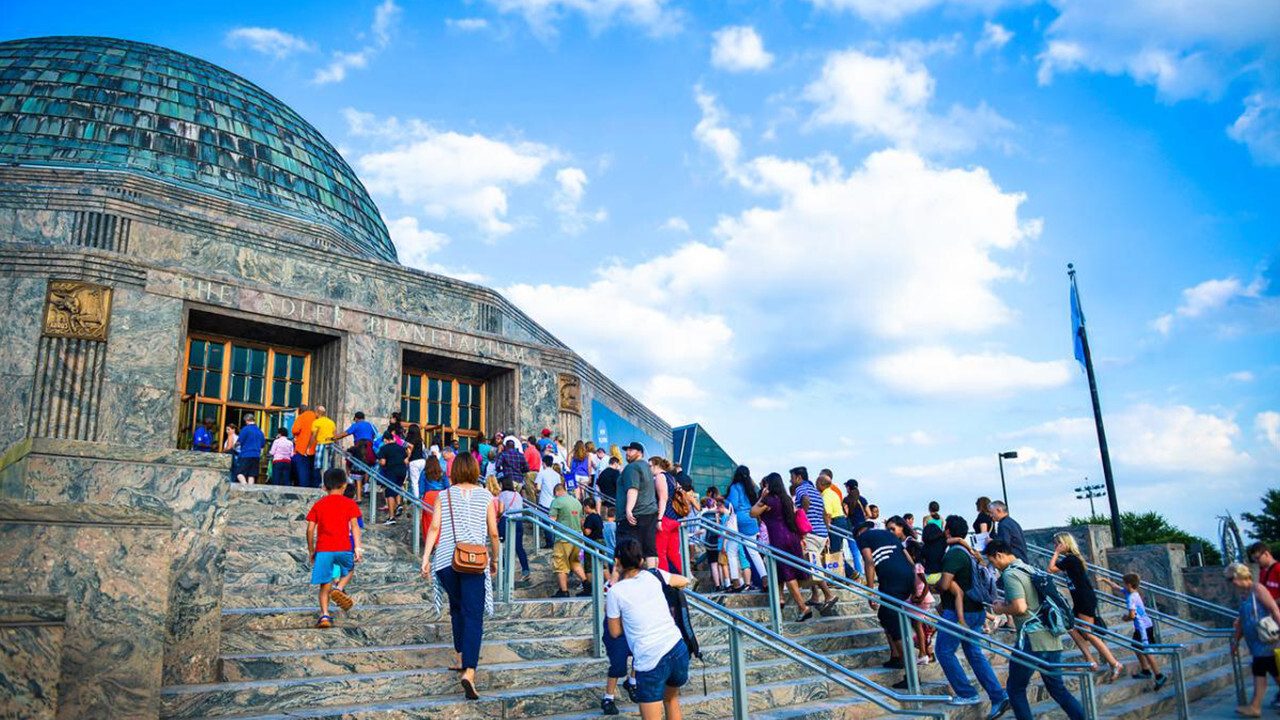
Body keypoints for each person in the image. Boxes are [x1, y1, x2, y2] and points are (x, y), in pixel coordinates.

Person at [420, 452, 500, 701]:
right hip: (474, 561)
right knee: (473, 616)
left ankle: (459, 657)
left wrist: (425, 557)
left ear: (453, 471)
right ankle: (470, 671)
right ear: (476, 470)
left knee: (457, 608)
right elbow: (494, 533)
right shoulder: (486, 495)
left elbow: (434, 528)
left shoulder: (444, 495)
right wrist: (495, 559)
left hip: (446, 561)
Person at [984, 539, 1086, 720]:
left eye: (993, 562)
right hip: (1051, 638)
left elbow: (1020, 607)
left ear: (999, 555)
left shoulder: (1010, 574)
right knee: (1057, 689)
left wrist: (1000, 609)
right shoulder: (1029, 569)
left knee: (1015, 689)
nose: (995, 567)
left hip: (1032, 640)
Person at [606, 538, 691, 720]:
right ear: (641, 560)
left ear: (617, 561)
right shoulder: (654, 576)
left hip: (650, 659)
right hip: (676, 648)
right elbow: (683, 580)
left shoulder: (615, 592)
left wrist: (614, 580)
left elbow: (614, 632)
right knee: (671, 700)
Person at [934, 516, 1010, 715]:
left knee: (943, 651)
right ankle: (998, 696)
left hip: (960, 613)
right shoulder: (966, 551)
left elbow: (944, 584)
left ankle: (967, 693)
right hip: (976, 610)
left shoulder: (954, 555)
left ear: (948, 531)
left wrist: (933, 585)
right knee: (974, 654)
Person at [1048, 532, 1124, 680]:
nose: (1055, 546)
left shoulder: (1071, 559)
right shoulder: (1071, 559)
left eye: (1057, 544)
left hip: (1084, 599)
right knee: (1071, 628)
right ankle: (1090, 660)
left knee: (1088, 632)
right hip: (1080, 599)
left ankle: (1114, 663)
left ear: (1065, 543)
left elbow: (1050, 569)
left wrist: (1056, 553)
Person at [854, 519, 918, 681]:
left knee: (892, 620)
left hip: (892, 579)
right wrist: (915, 580)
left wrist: (870, 591)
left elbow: (869, 563)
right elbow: (908, 558)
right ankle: (896, 657)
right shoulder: (887, 534)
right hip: (906, 576)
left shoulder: (863, 538)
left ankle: (912, 675)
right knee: (884, 615)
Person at [306, 467, 363, 629]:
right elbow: (354, 526)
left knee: (324, 585)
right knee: (349, 568)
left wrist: (311, 550)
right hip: (343, 547)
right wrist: (357, 547)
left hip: (324, 549)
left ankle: (324, 615)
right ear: (344, 485)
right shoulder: (349, 503)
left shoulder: (319, 504)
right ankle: (339, 587)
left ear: (324, 487)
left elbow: (310, 529)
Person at [751, 472, 813, 621]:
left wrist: (761, 497)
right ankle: (779, 599)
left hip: (778, 539)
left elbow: (752, 513)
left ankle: (803, 607)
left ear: (769, 485)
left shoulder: (769, 500)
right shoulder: (786, 498)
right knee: (780, 569)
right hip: (791, 537)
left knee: (787, 573)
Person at [1228, 562, 1280, 718]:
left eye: (1231, 579)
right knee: (1265, 671)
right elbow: (1242, 622)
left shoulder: (1257, 589)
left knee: (1265, 671)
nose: (1231, 583)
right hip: (1258, 643)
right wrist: (1235, 641)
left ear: (1239, 575)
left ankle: (1255, 706)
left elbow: (1274, 609)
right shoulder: (1244, 595)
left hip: (1268, 641)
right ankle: (1255, 706)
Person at [790, 467, 837, 612]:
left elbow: (805, 499)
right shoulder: (817, 491)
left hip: (810, 533)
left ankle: (828, 595)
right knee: (811, 563)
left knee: (812, 566)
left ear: (799, 477)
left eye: (792, 477)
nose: (790, 480)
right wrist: (826, 532)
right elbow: (824, 513)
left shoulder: (801, 489)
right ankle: (815, 595)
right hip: (821, 533)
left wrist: (801, 516)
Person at [1121, 572, 1167, 689]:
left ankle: (1159, 675)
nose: (1122, 586)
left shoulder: (1131, 598)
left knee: (1146, 650)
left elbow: (1132, 615)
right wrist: (1105, 581)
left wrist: (1125, 619)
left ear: (1128, 584)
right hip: (1145, 625)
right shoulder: (1134, 593)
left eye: (1124, 583)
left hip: (1143, 628)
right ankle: (1145, 670)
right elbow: (1116, 588)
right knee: (1136, 646)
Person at [618, 442, 659, 570]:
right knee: (649, 548)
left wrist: (629, 509)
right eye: (627, 450)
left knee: (629, 551)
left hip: (635, 515)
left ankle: (633, 581)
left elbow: (633, 489)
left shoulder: (632, 467)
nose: (627, 453)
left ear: (640, 452)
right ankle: (653, 575)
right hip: (650, 512)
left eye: (631, 450)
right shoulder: (647, 467)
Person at [725, 465, 767, 591]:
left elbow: (734, 504)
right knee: (753, 552)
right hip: (751, 519)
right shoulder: (751, 487)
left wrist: (724, 501)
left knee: (731, 551)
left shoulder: (735, 487)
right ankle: (765, 580)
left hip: (739, 521)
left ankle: (736, 582)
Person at [548, 483, 588, 598]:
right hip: (576, 538)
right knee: (575, 562)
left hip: (563, 538)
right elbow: (582, 522)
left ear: (556, 492)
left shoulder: (557, 501)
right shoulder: (576, 502)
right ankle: (587, 584)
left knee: (560, 564)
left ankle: (564, 591)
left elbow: (552, 520)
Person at [651, 457, 684, 573]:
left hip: (665, 518)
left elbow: (663, 498)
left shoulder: (660, 477)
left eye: (650, 466)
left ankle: (665, 582)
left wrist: (659, 519)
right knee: (674, 553)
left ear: (656, 465)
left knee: (661, 552)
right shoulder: (672, 478)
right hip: (675, 519)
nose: (649, 469)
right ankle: (686, 578)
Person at [496, 477, 530, 585]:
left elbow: (501, 510)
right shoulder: (518, 495)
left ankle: (504, 568)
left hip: (506, 521)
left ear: (502, 484)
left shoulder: (503, 494)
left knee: (499, 544)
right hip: (518, 521)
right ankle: (525, 569)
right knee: (519, 547)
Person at [376, 430, 409, 525]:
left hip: (391, 471)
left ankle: (391, 517)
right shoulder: (401, 448)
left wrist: (379, 462)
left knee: (389, 493)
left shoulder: (384, 448)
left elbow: (383, 462)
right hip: (402, 471)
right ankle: (398, 505)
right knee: (398, 487)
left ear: (386, 440)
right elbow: (406, 461)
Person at [420, 455, 448, 538]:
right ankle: (440, 540)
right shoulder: (442, 473)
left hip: (428, 496)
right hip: (441, 496)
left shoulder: (424, 473)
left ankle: (430, 540)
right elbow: (447, 486)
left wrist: (420, 497)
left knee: (428, 520)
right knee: (441, 520)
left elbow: (421, 488)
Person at [234, 413, 265, 484]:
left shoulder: (246, 429)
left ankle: (245, 487)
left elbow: (239, 442)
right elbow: (262, 446)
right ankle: (250, 491)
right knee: (252, 475)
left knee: (239, 473)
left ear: (247, 421)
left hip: (246, 454)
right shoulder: (260, 431)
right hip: (256, 455)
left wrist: (234, 446)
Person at [582, 497, 604, 592]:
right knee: (603, 565)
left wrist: (582, 525)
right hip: (601, 541)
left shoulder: (590, 517)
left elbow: (587, 532)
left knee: (589, 566)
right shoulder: (598, 516)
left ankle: (589, 588)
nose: (584, 509)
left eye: (584, 507)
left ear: (587, 507)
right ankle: (609, 584)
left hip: (592, 542)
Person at [311, 406, 337, 474]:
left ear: (317, 413)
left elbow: (314, 435)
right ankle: (327, 481)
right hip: (331, 445)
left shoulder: (316, 422)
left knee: (320, 465)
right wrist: (337, 445)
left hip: (321, 444)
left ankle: (323, 481)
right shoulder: (331, 422)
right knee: (328, 465)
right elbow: (335, 435)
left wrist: (309, 447)